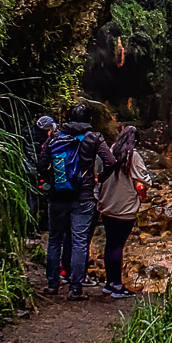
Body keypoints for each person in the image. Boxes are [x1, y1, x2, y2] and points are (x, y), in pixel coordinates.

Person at [36, 109, 115, 300]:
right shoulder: (94, 138)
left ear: (68, 119)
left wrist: (52, 181)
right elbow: (111, 161)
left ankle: (53, 284)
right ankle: (76, 288)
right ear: (89, 120)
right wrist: (99, 178)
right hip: (83, 197)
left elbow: (41, 165)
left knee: (55, 240)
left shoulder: (55, 138)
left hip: (57, 197)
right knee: (79, 242)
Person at [95, 124, 150, 298]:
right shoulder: (133, 156)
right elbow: (143, 179)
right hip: (125, 208)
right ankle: (117, 286)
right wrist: (142, 195)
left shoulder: (109, 152)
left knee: (110, 244)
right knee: (118, 245)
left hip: (108, 205)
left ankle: (109, 283)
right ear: (135, 141)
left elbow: (98, 174)